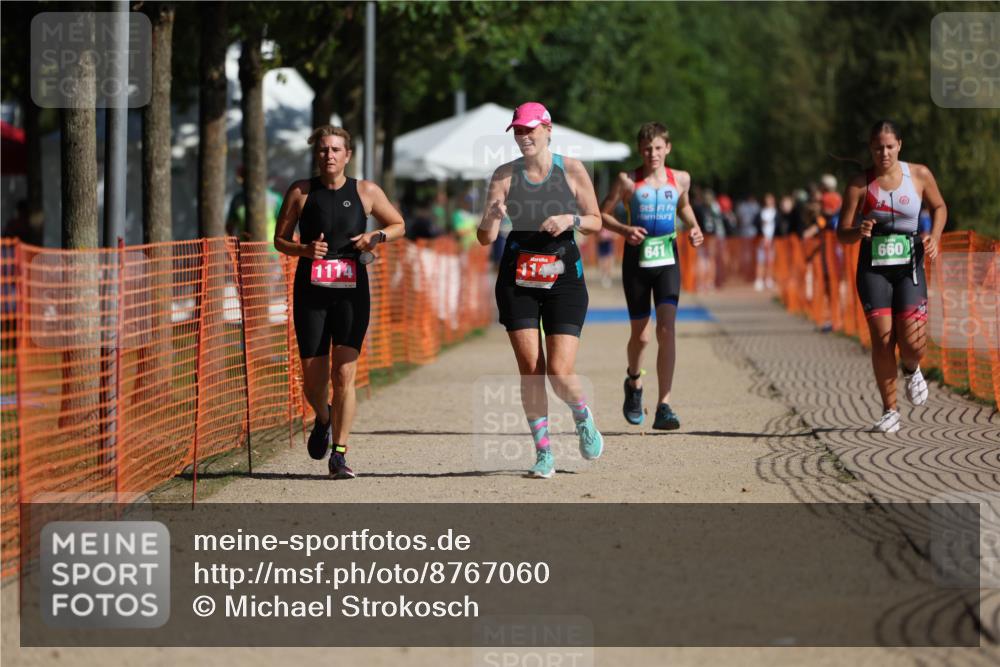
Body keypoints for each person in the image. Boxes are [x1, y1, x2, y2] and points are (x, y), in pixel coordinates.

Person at [476, 102, 605, 479]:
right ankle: (544, 453)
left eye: (529, 129)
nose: (523, 136)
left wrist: (571, 218)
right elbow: (484, 238)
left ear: (548, 129)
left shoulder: (572, 170)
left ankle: (582, 416)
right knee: (532, 371)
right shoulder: (504, 174)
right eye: (517, 130)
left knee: (560, 372)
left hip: (564, 278)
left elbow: (596, 221)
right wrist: (491, 218)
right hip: (518, 279)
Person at [274, 126, 405, 478]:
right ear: (316, 155)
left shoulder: (366, 191)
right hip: (311, 293)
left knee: (344, 372)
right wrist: (304, 249)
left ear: (347, 155)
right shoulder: (301, 191)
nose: (328, 155)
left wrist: (375, 235)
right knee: (313, 380)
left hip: (351, 293)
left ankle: (340, 454)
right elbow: (279, 240)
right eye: (323, 149)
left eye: (335, 149)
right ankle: (324, 416)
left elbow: (398, 224)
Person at [836, 120, 946, 433]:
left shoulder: (919, 175)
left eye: (889, 147)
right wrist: (858, 231)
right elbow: (841, 233)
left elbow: (939, 207)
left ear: (899, 145)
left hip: (909, 266)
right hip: (874, 269)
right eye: (877, 148)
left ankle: (911, 367)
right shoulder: (860, 184)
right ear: (870, 149)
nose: (883, 153)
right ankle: (890, 410)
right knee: (883, 339)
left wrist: (935, 237)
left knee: (912, 343)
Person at [599, 122, 705, 429]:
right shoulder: (627, 181)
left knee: (667, 329)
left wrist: (694, 228)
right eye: (647, 149)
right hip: (637, 260)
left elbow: (683, 206)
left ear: (668, 148)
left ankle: (664, 406)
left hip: (667, 259)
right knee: (642, 336)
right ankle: (634, 382)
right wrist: (624, 230)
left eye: (658, 148)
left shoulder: (681, 179)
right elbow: (602, 214)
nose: (653, 154)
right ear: (639, 149)